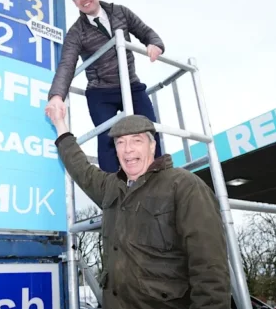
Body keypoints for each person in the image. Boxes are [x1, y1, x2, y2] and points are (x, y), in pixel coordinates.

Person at [45, 108, 231, 309]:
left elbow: (210, 270)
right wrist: (59, 124)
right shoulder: (111, 187)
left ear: (152, 146)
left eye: (136, 140)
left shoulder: (184, 186)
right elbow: (80, 167)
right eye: (120, 142)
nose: (128, 149)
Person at [46, 0, 165, 173]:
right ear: (74, 1)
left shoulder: (120, 12)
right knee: (108, 137)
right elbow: (66, 64)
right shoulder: (76, 32)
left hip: (131, 84)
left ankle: (161, 179)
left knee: (151, 130)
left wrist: (155, 44)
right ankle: (114, 191)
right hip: (101, 91)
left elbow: (146, 32)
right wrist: (57, 96)